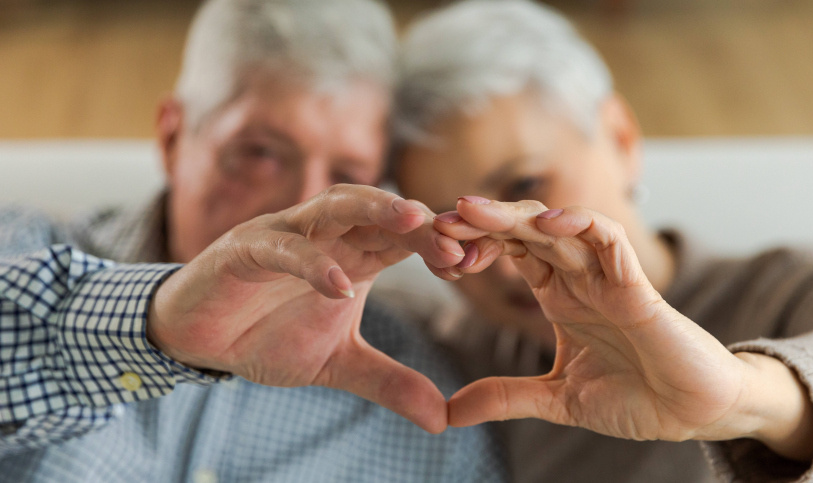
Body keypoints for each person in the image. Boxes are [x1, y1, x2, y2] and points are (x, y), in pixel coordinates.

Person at [0, 0, 506, 481]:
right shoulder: (19, 248)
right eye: (262, 154)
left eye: (347, 175)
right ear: (173, 138)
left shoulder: (414, 392)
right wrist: (157, 325)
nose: (309, 207)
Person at [390, 0, 813, 481]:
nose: (508, 266)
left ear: (621, 137)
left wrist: (746, 400)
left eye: (526, 187)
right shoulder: (469, 353)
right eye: (454, 228)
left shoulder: (791, 289)